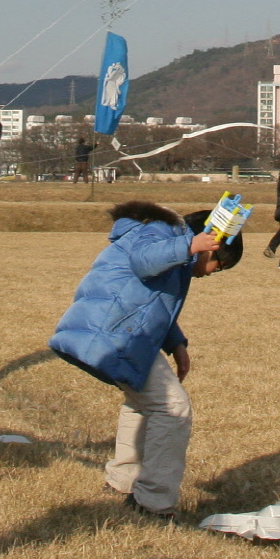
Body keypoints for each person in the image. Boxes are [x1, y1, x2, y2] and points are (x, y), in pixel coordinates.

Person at [49, 200, 237, 520]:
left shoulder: (169, 250)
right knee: (172, 407)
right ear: (211, 247)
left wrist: (176, 343)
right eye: (217, 266)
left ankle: (123, 480)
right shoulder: (160, 231)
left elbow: (147, 301)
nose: (209, 274)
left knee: (141, 403)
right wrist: (191, 244)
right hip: (113, 332)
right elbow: (143, 261)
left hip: (113, 329)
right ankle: (154, 501)